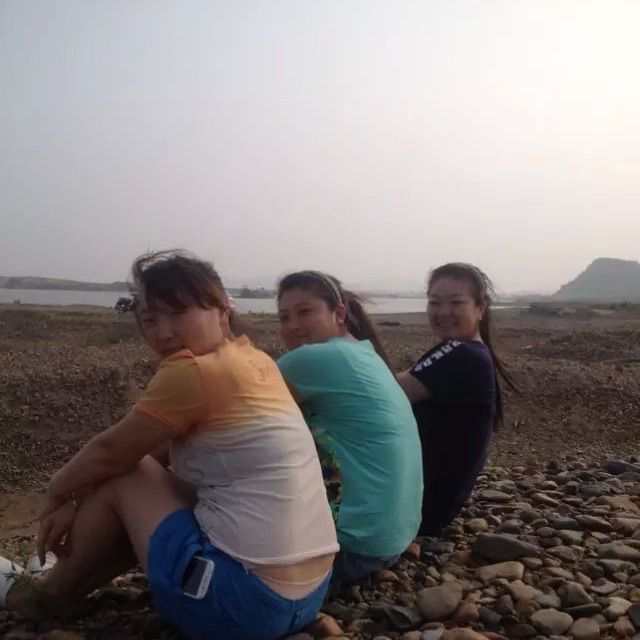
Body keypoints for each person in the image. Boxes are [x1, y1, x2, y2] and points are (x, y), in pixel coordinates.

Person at [0, 251, 338, 640]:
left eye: (178, 313)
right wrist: (79, 496)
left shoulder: (194, 370)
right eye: (150, 320)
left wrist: (57, 493)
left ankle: (45, 597)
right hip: (306, 596)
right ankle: (64, 582)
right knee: (143, 475)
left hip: (238, 607)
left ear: (222, 311)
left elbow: (111, 453)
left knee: (129, 474)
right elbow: (151, 454)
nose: (163, 333)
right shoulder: (255, 360)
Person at [276, 270, 422, 587]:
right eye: (284, 317)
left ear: (339, 313)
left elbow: (232, 418)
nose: (292, 326)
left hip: (350, 548)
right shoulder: (365, 353)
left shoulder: (311, 359)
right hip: (392, 538)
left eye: (305, 312)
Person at [396, 262, 517, 536]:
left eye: (456, 302)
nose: (443, 312)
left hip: (413, 511)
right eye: (435, 302)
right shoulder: (467, 352)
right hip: (429, 507)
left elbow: (380, 395)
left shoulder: (463, 354)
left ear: (480, 308)